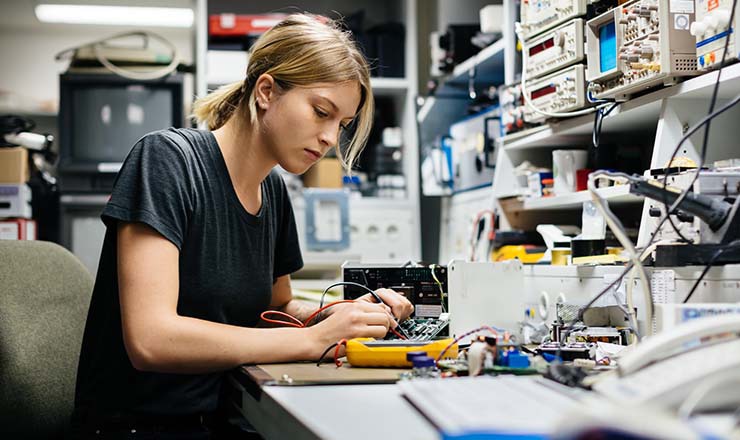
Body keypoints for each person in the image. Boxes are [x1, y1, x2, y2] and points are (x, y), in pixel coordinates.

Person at [71, 14, 414, 439]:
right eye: (321, 112)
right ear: (266, 91)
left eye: (340, 125)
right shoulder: (167, 161)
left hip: (226, 417)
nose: (330, 139)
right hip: (141, 428)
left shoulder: (272, 191)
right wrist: (314, 340)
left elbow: (276, 309)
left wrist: (342, 315)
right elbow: (151, 340)